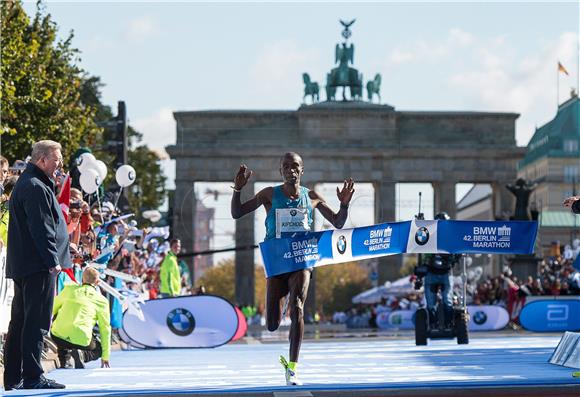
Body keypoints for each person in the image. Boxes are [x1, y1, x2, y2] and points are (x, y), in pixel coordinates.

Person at [231, 152, 354, 385]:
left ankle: (293, 367)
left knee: (297, 306)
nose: (291, 170)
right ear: (281, 171)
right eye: (286, 166)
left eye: (295, 166)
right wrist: (237, 191)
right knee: (272, 324)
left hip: (302, 258)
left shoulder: (313, 197)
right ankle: (284, 294)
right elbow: (237, 213)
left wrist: (344, 204)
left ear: (302, 170)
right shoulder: (269, 194)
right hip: (277, 261)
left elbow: (338, 222)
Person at [4, 140, 71, 390]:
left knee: (21, 322)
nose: (60, 164)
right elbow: (41, 229)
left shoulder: (31, 183)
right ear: (42, 160)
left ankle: (14, 378)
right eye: (57, 159)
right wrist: (52, 261)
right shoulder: (35, 186)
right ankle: (32, 376)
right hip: (38, 266)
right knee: (36, 323)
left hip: (27, 265)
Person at [50, 266, 111, 369]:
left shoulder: (69, 289)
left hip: (58, 335)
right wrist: (105, 356)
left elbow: (53, 309)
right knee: (98, 349)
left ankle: (65, 360)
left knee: (60, 318)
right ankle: (82, 354)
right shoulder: (102, 301)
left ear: (82, 279)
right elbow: (105, 329)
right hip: (81, 338)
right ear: (97, 282)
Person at [420, 212, 460, 329]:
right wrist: (421, 222)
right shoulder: (430, 235)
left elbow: (457, 251)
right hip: (431, 273)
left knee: (448, 300)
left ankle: (449, 324)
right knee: (430, 303)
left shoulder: (452, 237)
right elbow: (420, 239)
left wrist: (456, 257)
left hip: (446, 273)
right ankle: (433, 324)